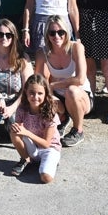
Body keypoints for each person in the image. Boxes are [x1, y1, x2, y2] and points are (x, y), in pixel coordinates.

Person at [35, 16, 90, 147]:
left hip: (80, 95)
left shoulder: (76, 47)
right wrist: (47, 91)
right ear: (47, 35)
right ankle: (63, 118)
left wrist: (53, 85)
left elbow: (80, 79)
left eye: (61, 32)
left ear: (67, 33)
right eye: (52, 33)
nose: (57, 36)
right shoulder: (42, 53)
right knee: (41, 95)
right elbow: (39, 81)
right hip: (59, 96)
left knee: (72, 90)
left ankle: (78, 130)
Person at [7, 74, 62, 183]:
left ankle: (51, 161)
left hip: (49, 149)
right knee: (14, 132)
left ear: (46, 93)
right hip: (32, 148)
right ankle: (25, 159)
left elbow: (46, 144)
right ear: (26, 92)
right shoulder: (22, 109)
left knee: (46, 178)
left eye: (40, 93)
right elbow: (19, 130)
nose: (35, 97)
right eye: (31, 93)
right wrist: (16, 128)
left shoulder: (50, 113)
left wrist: (26, 132)